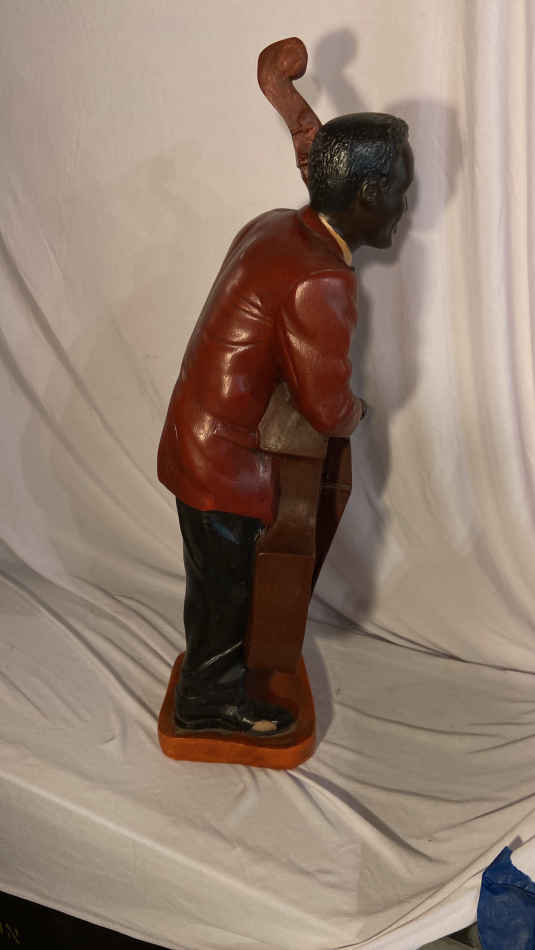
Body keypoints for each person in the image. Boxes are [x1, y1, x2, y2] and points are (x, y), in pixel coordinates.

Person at [157, 113, 413, 736]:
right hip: (223, 462)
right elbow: (327, 406)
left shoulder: (275, 226)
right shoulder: (322, 278)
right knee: (228, 591)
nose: (405, 208)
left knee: (218, 584)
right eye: (401, 191)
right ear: (368, 194)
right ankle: (207, 701)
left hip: (197, 436)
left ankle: (216, 680)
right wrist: (358, 412)